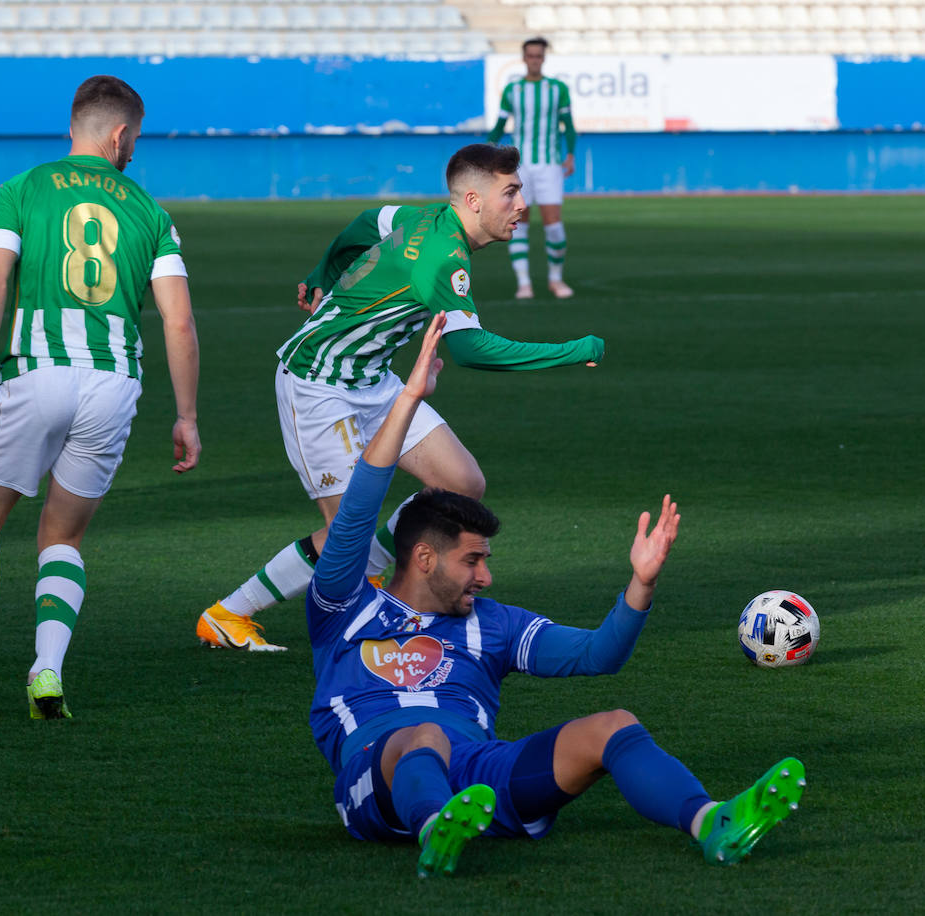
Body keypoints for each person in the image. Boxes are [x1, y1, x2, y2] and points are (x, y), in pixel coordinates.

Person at [309, 311, 805, 877]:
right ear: (424, 557)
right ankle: (433, 828)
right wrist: (410, 400)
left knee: (613, 725)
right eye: (473, 560)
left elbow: (599, 655)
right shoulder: (344, 606)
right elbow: (356, 511)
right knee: (422, 736)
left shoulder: (492, 625)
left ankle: (713, 822)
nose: (486, 577)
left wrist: (641, 583)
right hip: (378, 778)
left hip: (479, 775)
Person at [196, 144, 602, 652]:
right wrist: (573, 351)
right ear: (474, 200)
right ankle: (230, 612)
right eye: (511, 192)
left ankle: (377, 583)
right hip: (317, 385)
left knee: (461, 484)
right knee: (348, 535)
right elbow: (472, 350)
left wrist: (324, 271)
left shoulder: (426, 216)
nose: (523, 204)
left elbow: (369, 221)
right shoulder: (444, 259)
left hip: (374, 381)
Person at [0, 75, 201, 721]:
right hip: (113, 386)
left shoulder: (20, 190)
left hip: (36, 373)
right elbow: (179, 323)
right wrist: (186, 416)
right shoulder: (153, 213)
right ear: (120, 134)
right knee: (64, 536)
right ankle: (46, 671)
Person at [486, 37, 577, 300]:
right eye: (531, 55)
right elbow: (499, 126)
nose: (535, 60)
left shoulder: (558, 88)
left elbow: (568, 125)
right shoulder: (513, 89)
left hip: (550, 165)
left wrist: (570, 155)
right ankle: (524, 283)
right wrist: (486, 152)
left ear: (543, 58)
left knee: (554, 225)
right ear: (524, 58)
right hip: (520, 166)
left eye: (539, 56)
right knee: (518, 223)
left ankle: (555, 279)